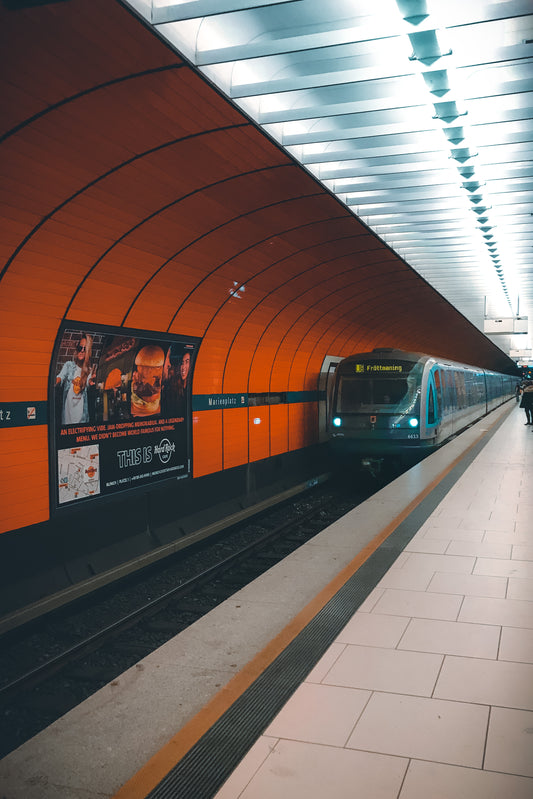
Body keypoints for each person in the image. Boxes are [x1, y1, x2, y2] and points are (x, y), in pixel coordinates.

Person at [56, 333, 95, 425]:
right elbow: (60, 377)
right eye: (79, 348)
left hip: (82, 418)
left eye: (84, 349)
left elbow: (89, 384)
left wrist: (91, 382)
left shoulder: (88, 371)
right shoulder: (69, 366)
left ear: (88, 352)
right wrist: (54, 381)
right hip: (67, 416)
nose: (81, 351)